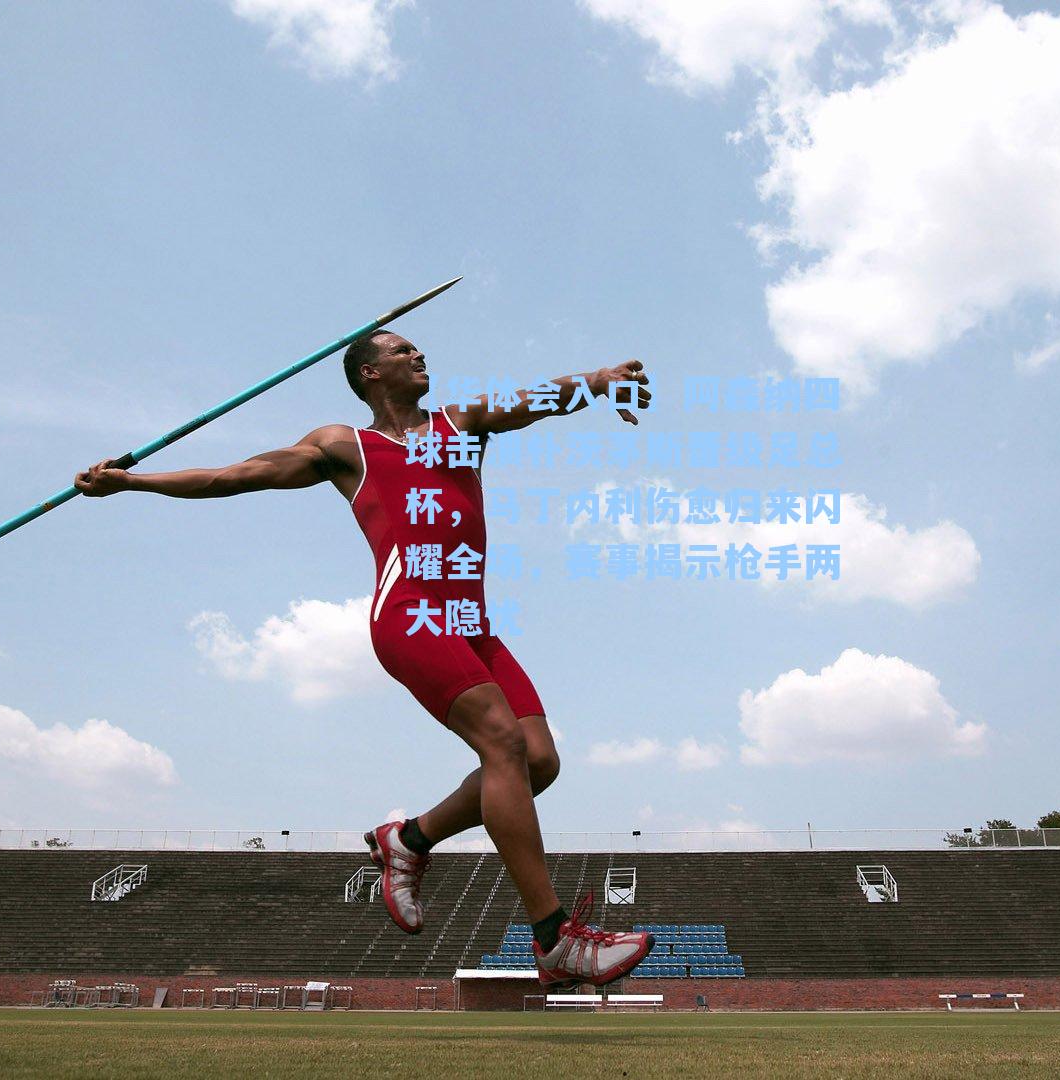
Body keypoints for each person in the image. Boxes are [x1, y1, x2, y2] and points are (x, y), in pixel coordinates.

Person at [74, 330, 655, 987]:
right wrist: (131, 481)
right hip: (408, 614)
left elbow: (533, 401)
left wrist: (601, 379)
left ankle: (407, 841)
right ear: (370, 373)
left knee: (538, 761)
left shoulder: (459, 423)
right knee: (502, 741)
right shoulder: (342, 446)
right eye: (403, 350)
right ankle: (554, 938)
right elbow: (232, 476)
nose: (421, 354)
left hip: (472, 624)